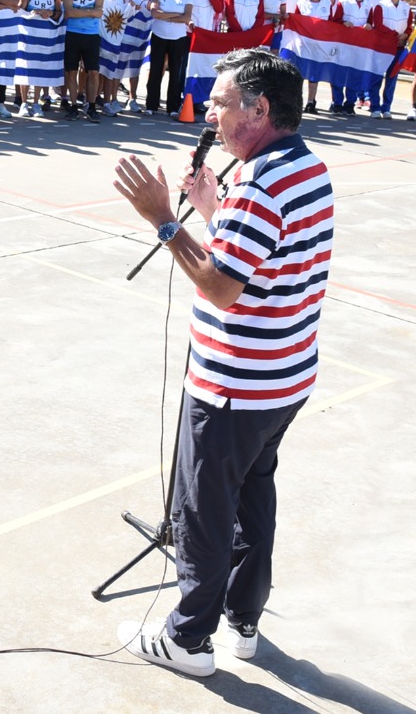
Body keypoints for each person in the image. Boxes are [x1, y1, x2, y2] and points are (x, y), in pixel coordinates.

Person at [113, 47, 333, 678]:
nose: (209, 112)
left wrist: (163, 221)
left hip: (235, 382)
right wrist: (213, 211)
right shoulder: (302, 165)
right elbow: (264, 256)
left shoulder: (260, 181)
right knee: (252, 498)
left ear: (259, 109)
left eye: (220, 101)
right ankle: (243, 620)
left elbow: (220, 285)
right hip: (284, 375)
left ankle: (187, 639)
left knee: (204, 510)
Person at [146, 0, 193, 115]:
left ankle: (172, 107)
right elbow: (154, 13)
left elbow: (186, 18)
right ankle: (151, 105)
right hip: (159, 36)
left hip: (178, 38)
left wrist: (165, 14)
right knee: (155, 70)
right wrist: (175, 16)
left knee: (175, 72)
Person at [292, 0, 338, 113]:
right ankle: (297, 101)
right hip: (304, 43)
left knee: (314, 74)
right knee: (300, 73)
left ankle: (311, 102)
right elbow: (295, 21)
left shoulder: (327, 4)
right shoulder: (301, 3)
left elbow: (330, 22)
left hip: (319, 44)